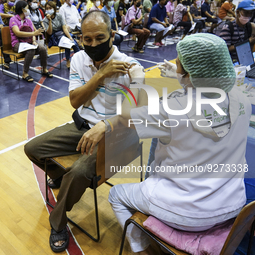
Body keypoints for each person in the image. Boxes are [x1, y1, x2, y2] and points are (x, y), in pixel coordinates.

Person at [93, 33, 249, 255]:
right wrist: (181, 80)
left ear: (189, 73)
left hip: (187, 211)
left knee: (116, 194)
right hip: (232, 204)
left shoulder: (172, 109)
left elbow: (125, 114)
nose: (175, 65)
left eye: (178, 63)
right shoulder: (241, 98)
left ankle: (142, 249)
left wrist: (137, 79)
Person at [24, 10, 142, 253]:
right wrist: (100, 76)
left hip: (115, 134)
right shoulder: (79, 59)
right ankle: (61, 175)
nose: (93, 44)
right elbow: (75, 101)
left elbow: (138, 111)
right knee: (32, 148)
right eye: (87, 39)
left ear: (112, 34)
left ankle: (58, 221)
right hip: (82, 126)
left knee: (78, 172)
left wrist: (106, 126)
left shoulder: (132, 68)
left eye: (100, 37)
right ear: (81, 38)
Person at [9, 0, 52, 82]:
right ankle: (25, 73)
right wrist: (33, 33)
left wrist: (34, 41)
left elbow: (32, 32)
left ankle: (44, 69)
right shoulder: (13, 19)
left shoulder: (28, 20)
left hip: (28, 43)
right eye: (27, 8)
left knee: (42, 48)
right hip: (17, 43)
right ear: (22, 9)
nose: (28, 10)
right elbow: (17, 33)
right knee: (31, 50)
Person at [42, 1, 80, 68]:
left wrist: (69, 37)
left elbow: (64, 28)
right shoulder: (45, 20)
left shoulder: (59, 16)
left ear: (53, 9)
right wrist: (50, 21)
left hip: (62, 34)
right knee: (67, 43)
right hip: (54, 37)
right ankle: (68, 60)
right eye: (47, 8)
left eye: (50, 8)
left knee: (73, 43)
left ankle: (80, 60)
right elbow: (50, 32)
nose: (48, 10)